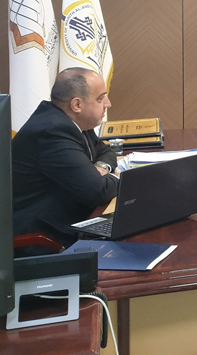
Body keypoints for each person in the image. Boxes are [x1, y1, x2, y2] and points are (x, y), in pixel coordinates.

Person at [12, 67, 120, 246]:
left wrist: (101, 167)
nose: (108, 104)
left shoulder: (74, 121)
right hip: (45, 238)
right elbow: (97, 192)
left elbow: (105, 152)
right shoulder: (52, 132)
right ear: (76, 105)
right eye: (100, 98)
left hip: (73, 218)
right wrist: (116, 177)